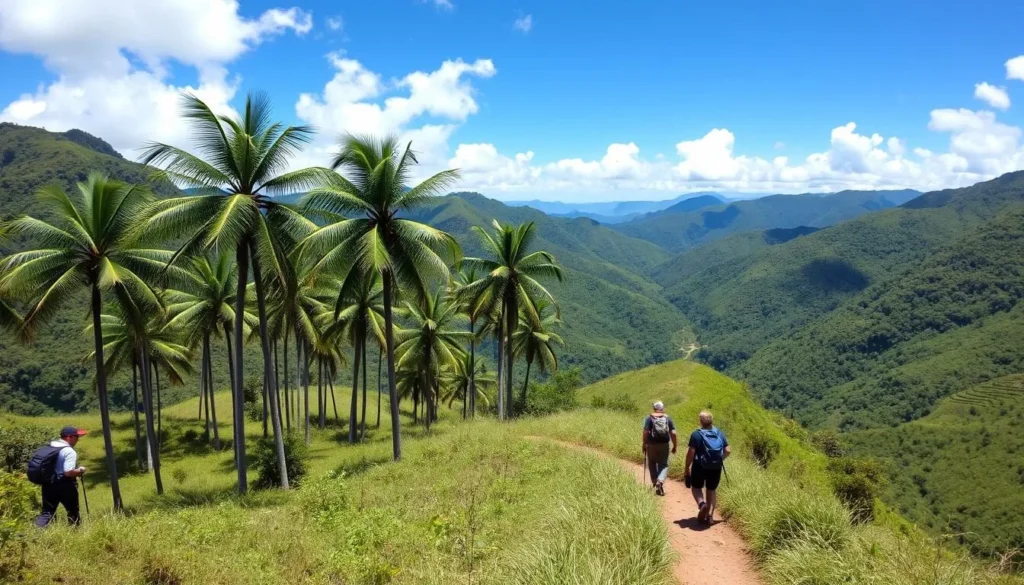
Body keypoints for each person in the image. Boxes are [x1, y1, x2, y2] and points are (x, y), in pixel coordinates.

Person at [34, 426, 88, 527]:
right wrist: (80, 470)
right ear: (69, 437)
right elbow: (68, 472)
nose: (77, 439)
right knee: (73, 511)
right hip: (65, 485)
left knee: (47, 512)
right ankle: (75, 534)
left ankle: (36, 532)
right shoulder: (69, 451)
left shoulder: (50, 447)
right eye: (77, 437)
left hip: (48, 484)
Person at [684, 411, 730, 524]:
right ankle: (710, 516)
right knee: (711, 489)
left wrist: (686, 467)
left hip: (699, 466)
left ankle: (702, 504)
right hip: (715, 467)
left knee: (696, 487)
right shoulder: (719, 433)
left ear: (700, 421)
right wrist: (720, 460)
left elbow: (691, 452)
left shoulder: (696, 434)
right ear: (711, 421)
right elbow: (728, 450)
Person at [641, 401, 677, 496]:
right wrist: (675, 445)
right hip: (664, 444)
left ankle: (654, 481)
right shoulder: (667, 418)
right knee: (663, 464)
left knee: (652, 463)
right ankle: (660, 482)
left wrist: (644, 443)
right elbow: (673, 433)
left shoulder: (649, 418)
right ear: (662, 408)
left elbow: (645, 432)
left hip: (651, 444)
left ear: (654, 408)